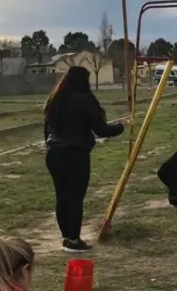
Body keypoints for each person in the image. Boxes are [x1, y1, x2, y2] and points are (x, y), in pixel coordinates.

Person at [44, 65, 129, 253]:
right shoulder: (85, 100)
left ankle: (67, 237)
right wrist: (121, 126)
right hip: (75, 155)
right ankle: (73, 241)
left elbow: (46, 128)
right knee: (75, 198)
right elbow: (101, 130)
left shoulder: (54, 99)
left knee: (62, 197)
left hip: (54, 154)